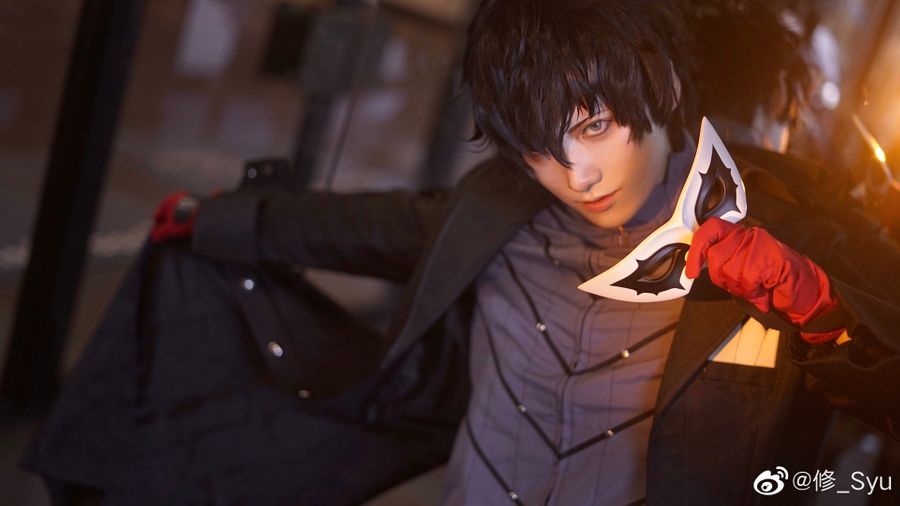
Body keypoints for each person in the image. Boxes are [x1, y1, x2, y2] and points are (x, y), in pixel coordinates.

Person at [24, 1, 900, 505]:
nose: (578, 173)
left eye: (596, 124)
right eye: (541, 147)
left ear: (659, 89)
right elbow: (369, 226)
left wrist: (821, 310)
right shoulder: (496, 207)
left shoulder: (788, 237)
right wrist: (215, 219)